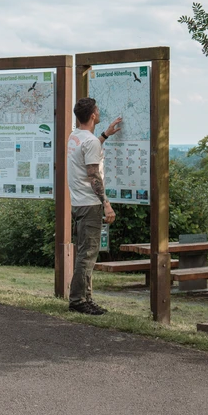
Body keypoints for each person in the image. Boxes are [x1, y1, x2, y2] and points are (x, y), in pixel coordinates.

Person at [67, 98, 121, 315]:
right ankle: (78, 301)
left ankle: (85, 298)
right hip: (90, 204)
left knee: (84, 252)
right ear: (92, 116)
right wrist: (106, 204)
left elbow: (88, 150)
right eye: (97, 111)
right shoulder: (90, 142)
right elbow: (93, 175)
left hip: (79, 202)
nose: (99, 113)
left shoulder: (76, 137)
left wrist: (105, 136)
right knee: (87, 254)